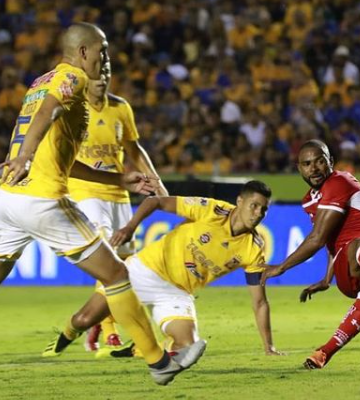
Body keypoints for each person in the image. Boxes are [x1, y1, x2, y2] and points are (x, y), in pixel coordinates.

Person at [0, 22, 200, 386]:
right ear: (82, 52)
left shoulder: (38, 81)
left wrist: (120, 179)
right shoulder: (72, 78)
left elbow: (62, 156)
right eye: (102, 50)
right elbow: (46, 113)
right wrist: (25, 157)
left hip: (8, 197)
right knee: (118, 275)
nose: (105, 58)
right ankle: (158, 362)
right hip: (40, 199)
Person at [43, 180, 283, 358]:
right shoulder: (211, 210)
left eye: (263, 209)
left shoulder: (253, 248)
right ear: (240, 202)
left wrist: (268, 346)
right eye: (254, 206)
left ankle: (145, 350)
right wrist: (130, 227)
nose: (258, 214)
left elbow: (260, 302)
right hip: (143, 270)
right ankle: (63, 340)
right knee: (84, 319)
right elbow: (155, 200)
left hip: (176, 292)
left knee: (189, 347)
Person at [42, 61, 169, 359]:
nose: (102, 82)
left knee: (126, 264)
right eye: (97, 78)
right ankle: (111, 332)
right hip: (86, 193)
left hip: (119, 194)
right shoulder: (73, 109)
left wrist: (156, 181)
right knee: (109, 259)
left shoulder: (121, 108)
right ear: (86, 81)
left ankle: (91, 326)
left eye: (107, 76)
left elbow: (134, 150)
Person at [261, 140, 360, 369]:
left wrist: (280, 267)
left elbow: (316, 238)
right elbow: (327, 239)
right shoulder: (309, 201)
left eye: (319, 161)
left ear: (331, 162)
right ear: (299, 168)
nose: (314, 168)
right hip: (354, 266)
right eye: (307, 164)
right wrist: (327, 280)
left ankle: (323, 353)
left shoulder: (339, 181)